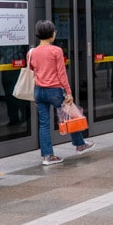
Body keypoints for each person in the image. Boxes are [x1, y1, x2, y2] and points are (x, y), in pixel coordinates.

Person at [31, 19, 94, 165]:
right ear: (50, 34)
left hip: (39, 91)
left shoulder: (32, 52)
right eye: (54, 31)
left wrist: (35, 94)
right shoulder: (56, 50)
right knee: (70, 116)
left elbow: (33, 73)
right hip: (54, 90)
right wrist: (69, 92)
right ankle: (79, 144)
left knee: (44, 124)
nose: (55, 33)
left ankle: (48, 156)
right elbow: (62, 74)